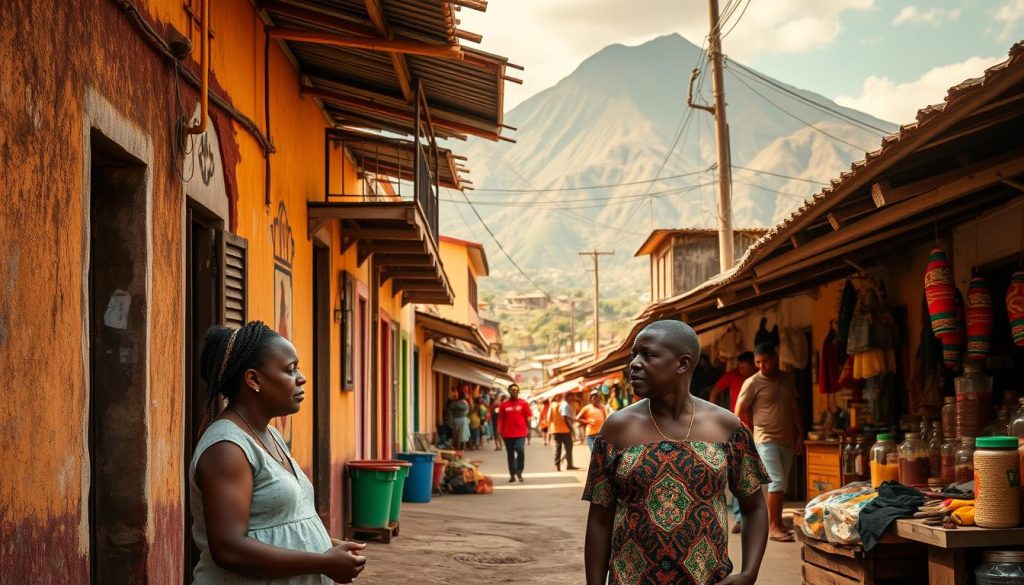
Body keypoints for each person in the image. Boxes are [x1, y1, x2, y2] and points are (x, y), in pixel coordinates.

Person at [584, 320, 770, 585]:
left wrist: (749, 573)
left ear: (682, 364)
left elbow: (754, 508)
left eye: (647, 354)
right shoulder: (616, 429)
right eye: (633, 355)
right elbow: (600, 518)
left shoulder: (727, 427)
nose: (634, 364)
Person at [190, 321, 367, 584]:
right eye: (290, 369)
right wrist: (323, 562)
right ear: (253, 380)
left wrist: (325, 544)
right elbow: (228, 550)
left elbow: (276, 524)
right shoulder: (227, 449)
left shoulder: (268, 434)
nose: (301, 377)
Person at [734, 343, 804, 543]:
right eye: (758, 363)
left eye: (765, 361)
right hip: (765, 439)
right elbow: (739, 411)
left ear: (775, 358)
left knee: (781, 485)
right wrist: (744, 438)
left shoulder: (787, 379)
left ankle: (774, 523)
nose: (761, 367)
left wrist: (800, 434)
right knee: (777, 481)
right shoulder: (752, 382)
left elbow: (794, 407)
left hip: (787, 440)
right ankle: (774, 527)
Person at [708, 351, 757, 533]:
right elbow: (715, 391)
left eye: (745, 367)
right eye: (740, 367)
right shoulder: (734, 375)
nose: (741, 371)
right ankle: (739, 517)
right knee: (739, 473)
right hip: (737, 431)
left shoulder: (757, 380)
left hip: (756, 431)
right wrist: (713, 413)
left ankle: (755, 516)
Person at [497, 384, 531, 482]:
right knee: (510, 454)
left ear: (518, 392)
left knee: (519, 449)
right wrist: (498, 430)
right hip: (507, 433)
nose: (513, 393)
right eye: (511, 392)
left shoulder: (524, 403)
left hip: (521, 433)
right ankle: (512, 475)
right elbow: (500, 418)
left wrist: (529, 431)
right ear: (509, 392)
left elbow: (528, 418)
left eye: (515, 392)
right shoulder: (504, 404)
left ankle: (519, 470)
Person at [549, 393, 579, 471]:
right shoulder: (565, 405)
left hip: (556, 430)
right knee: (568, 448)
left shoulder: (553, 405)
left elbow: (549, 418)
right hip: (565, 430)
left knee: (558, 448)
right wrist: (571, 428)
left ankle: (558, 465)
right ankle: (569, 465)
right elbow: (566, 418)